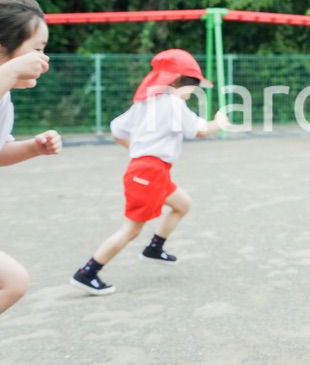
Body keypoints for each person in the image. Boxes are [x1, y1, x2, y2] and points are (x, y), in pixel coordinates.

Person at [70, 49, 227, 295]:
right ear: (176, 81)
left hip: (151, 170)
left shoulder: (145, 102)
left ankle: (154, 248)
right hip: (148, 172)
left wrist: (139, 150)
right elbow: (201, 130)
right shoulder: (173, 103)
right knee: (131, 229)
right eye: (192, 87)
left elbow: (117, 131)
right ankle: (88, 272)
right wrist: (220, 122)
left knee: (182, 204)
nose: (193, 93)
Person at [0, 0, 62, 314]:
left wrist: (31, 148)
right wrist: (8, 73)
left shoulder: (4, 97)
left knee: (14, 282)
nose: (44, 59)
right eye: (37, 50)